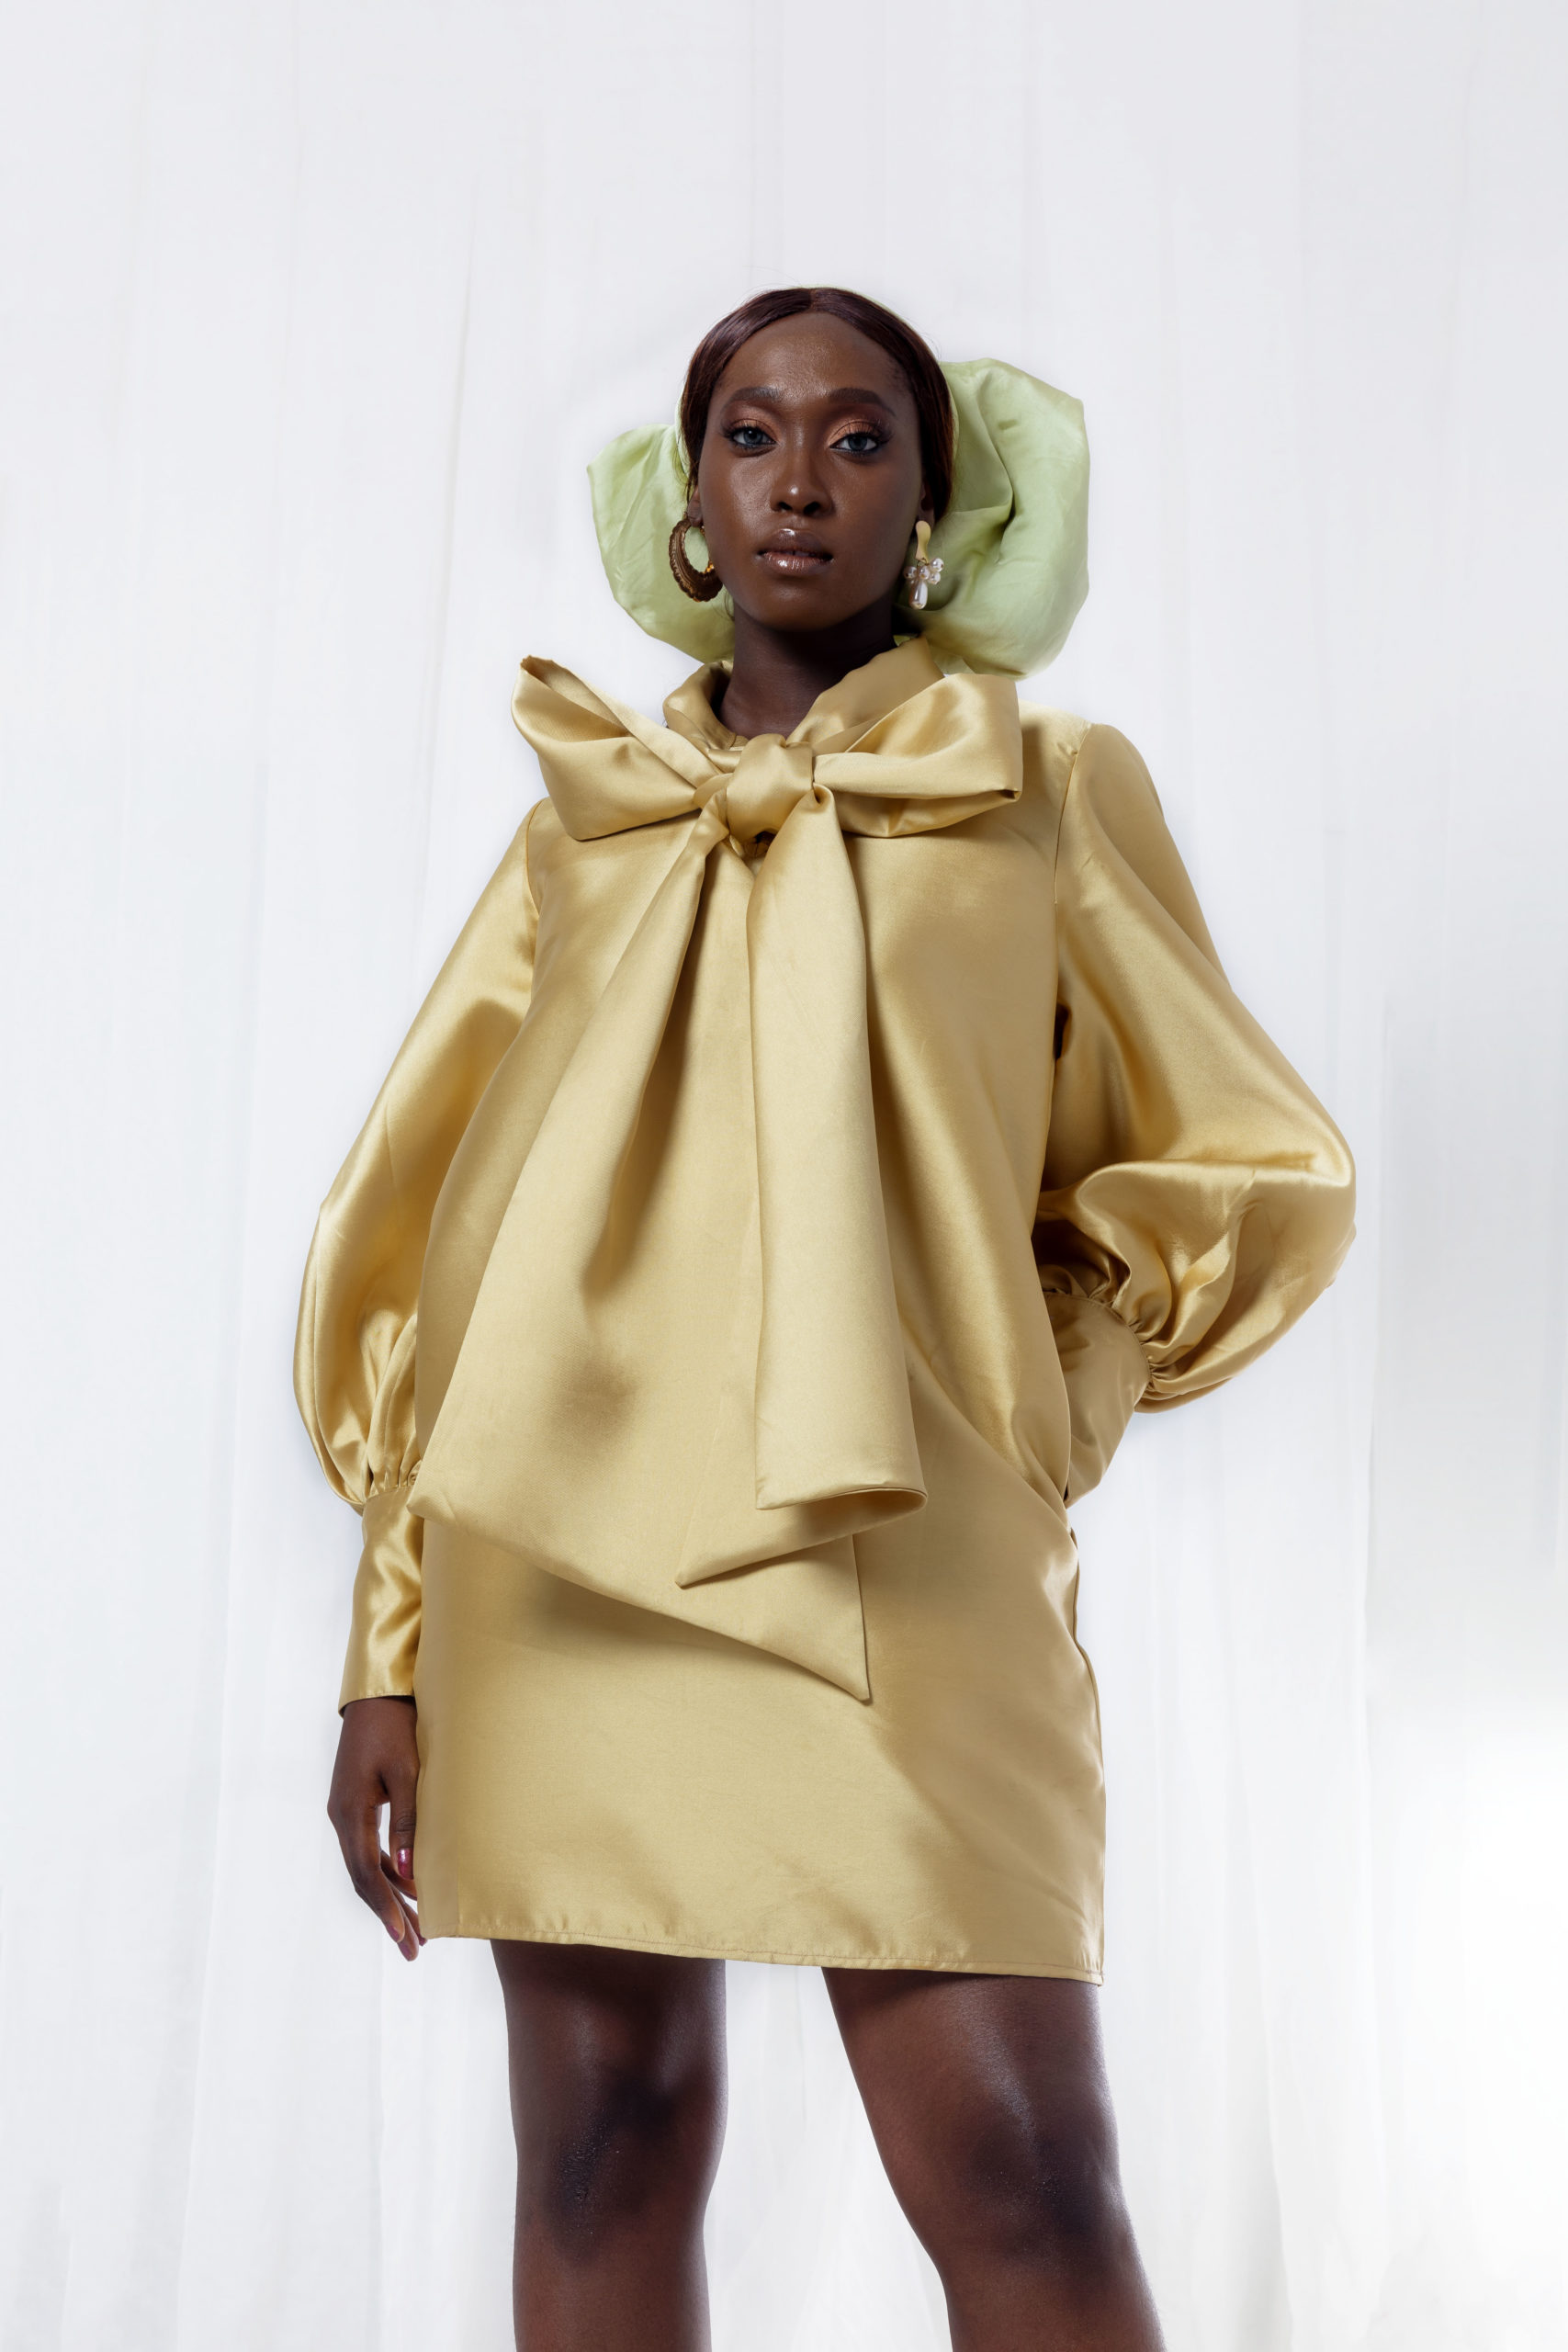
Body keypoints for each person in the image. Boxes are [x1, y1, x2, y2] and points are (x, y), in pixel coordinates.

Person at [296, 286, 1354, 2351]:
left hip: (911, 1552)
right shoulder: (584, 824)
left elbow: (1248, 1158)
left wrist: (1044, 1389)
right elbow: (441, 1252)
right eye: (752, 436)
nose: (800, 480)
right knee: (599, 2150)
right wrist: (387, 1649)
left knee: (1026, 2176)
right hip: (563, 1575)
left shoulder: (1043, 784)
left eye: (860, 437)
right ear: (688, 503)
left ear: (934, 507)